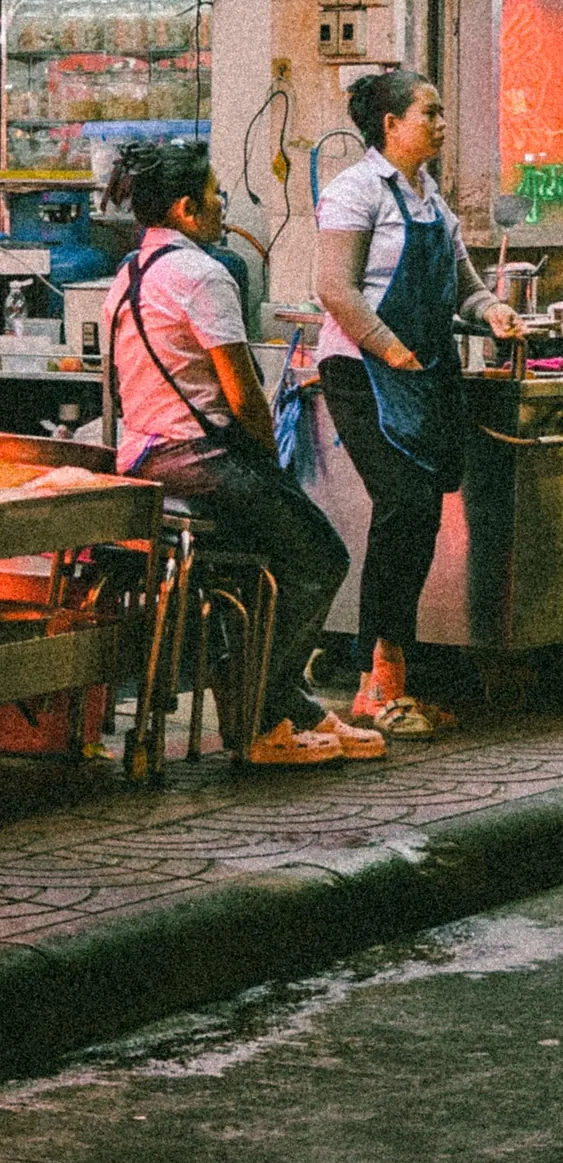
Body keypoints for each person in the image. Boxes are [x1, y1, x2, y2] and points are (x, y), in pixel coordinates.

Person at [103, 140, 383, 768]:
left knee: (269, 560)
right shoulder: (204, 275)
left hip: (143, 459)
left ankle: (289, 705)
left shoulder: (127, 274)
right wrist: (271, 462)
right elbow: (244, 395)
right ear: (185, 209)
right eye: (213, 194)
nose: (222, 205)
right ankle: (260, 715)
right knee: (319, 558)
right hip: (200, 461)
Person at [315, 68, 522, 738]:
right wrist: (388, 346)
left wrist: (493, 310)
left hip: (422, 372)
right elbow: (335, 289)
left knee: (423, 511)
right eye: (428, 112)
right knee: (402, 501)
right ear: (391, 124)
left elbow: (464, 287)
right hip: (360, 370)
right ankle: (373, 682)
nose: (439, 123)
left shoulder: (433, 201)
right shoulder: (354, 191)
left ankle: (391, 676)